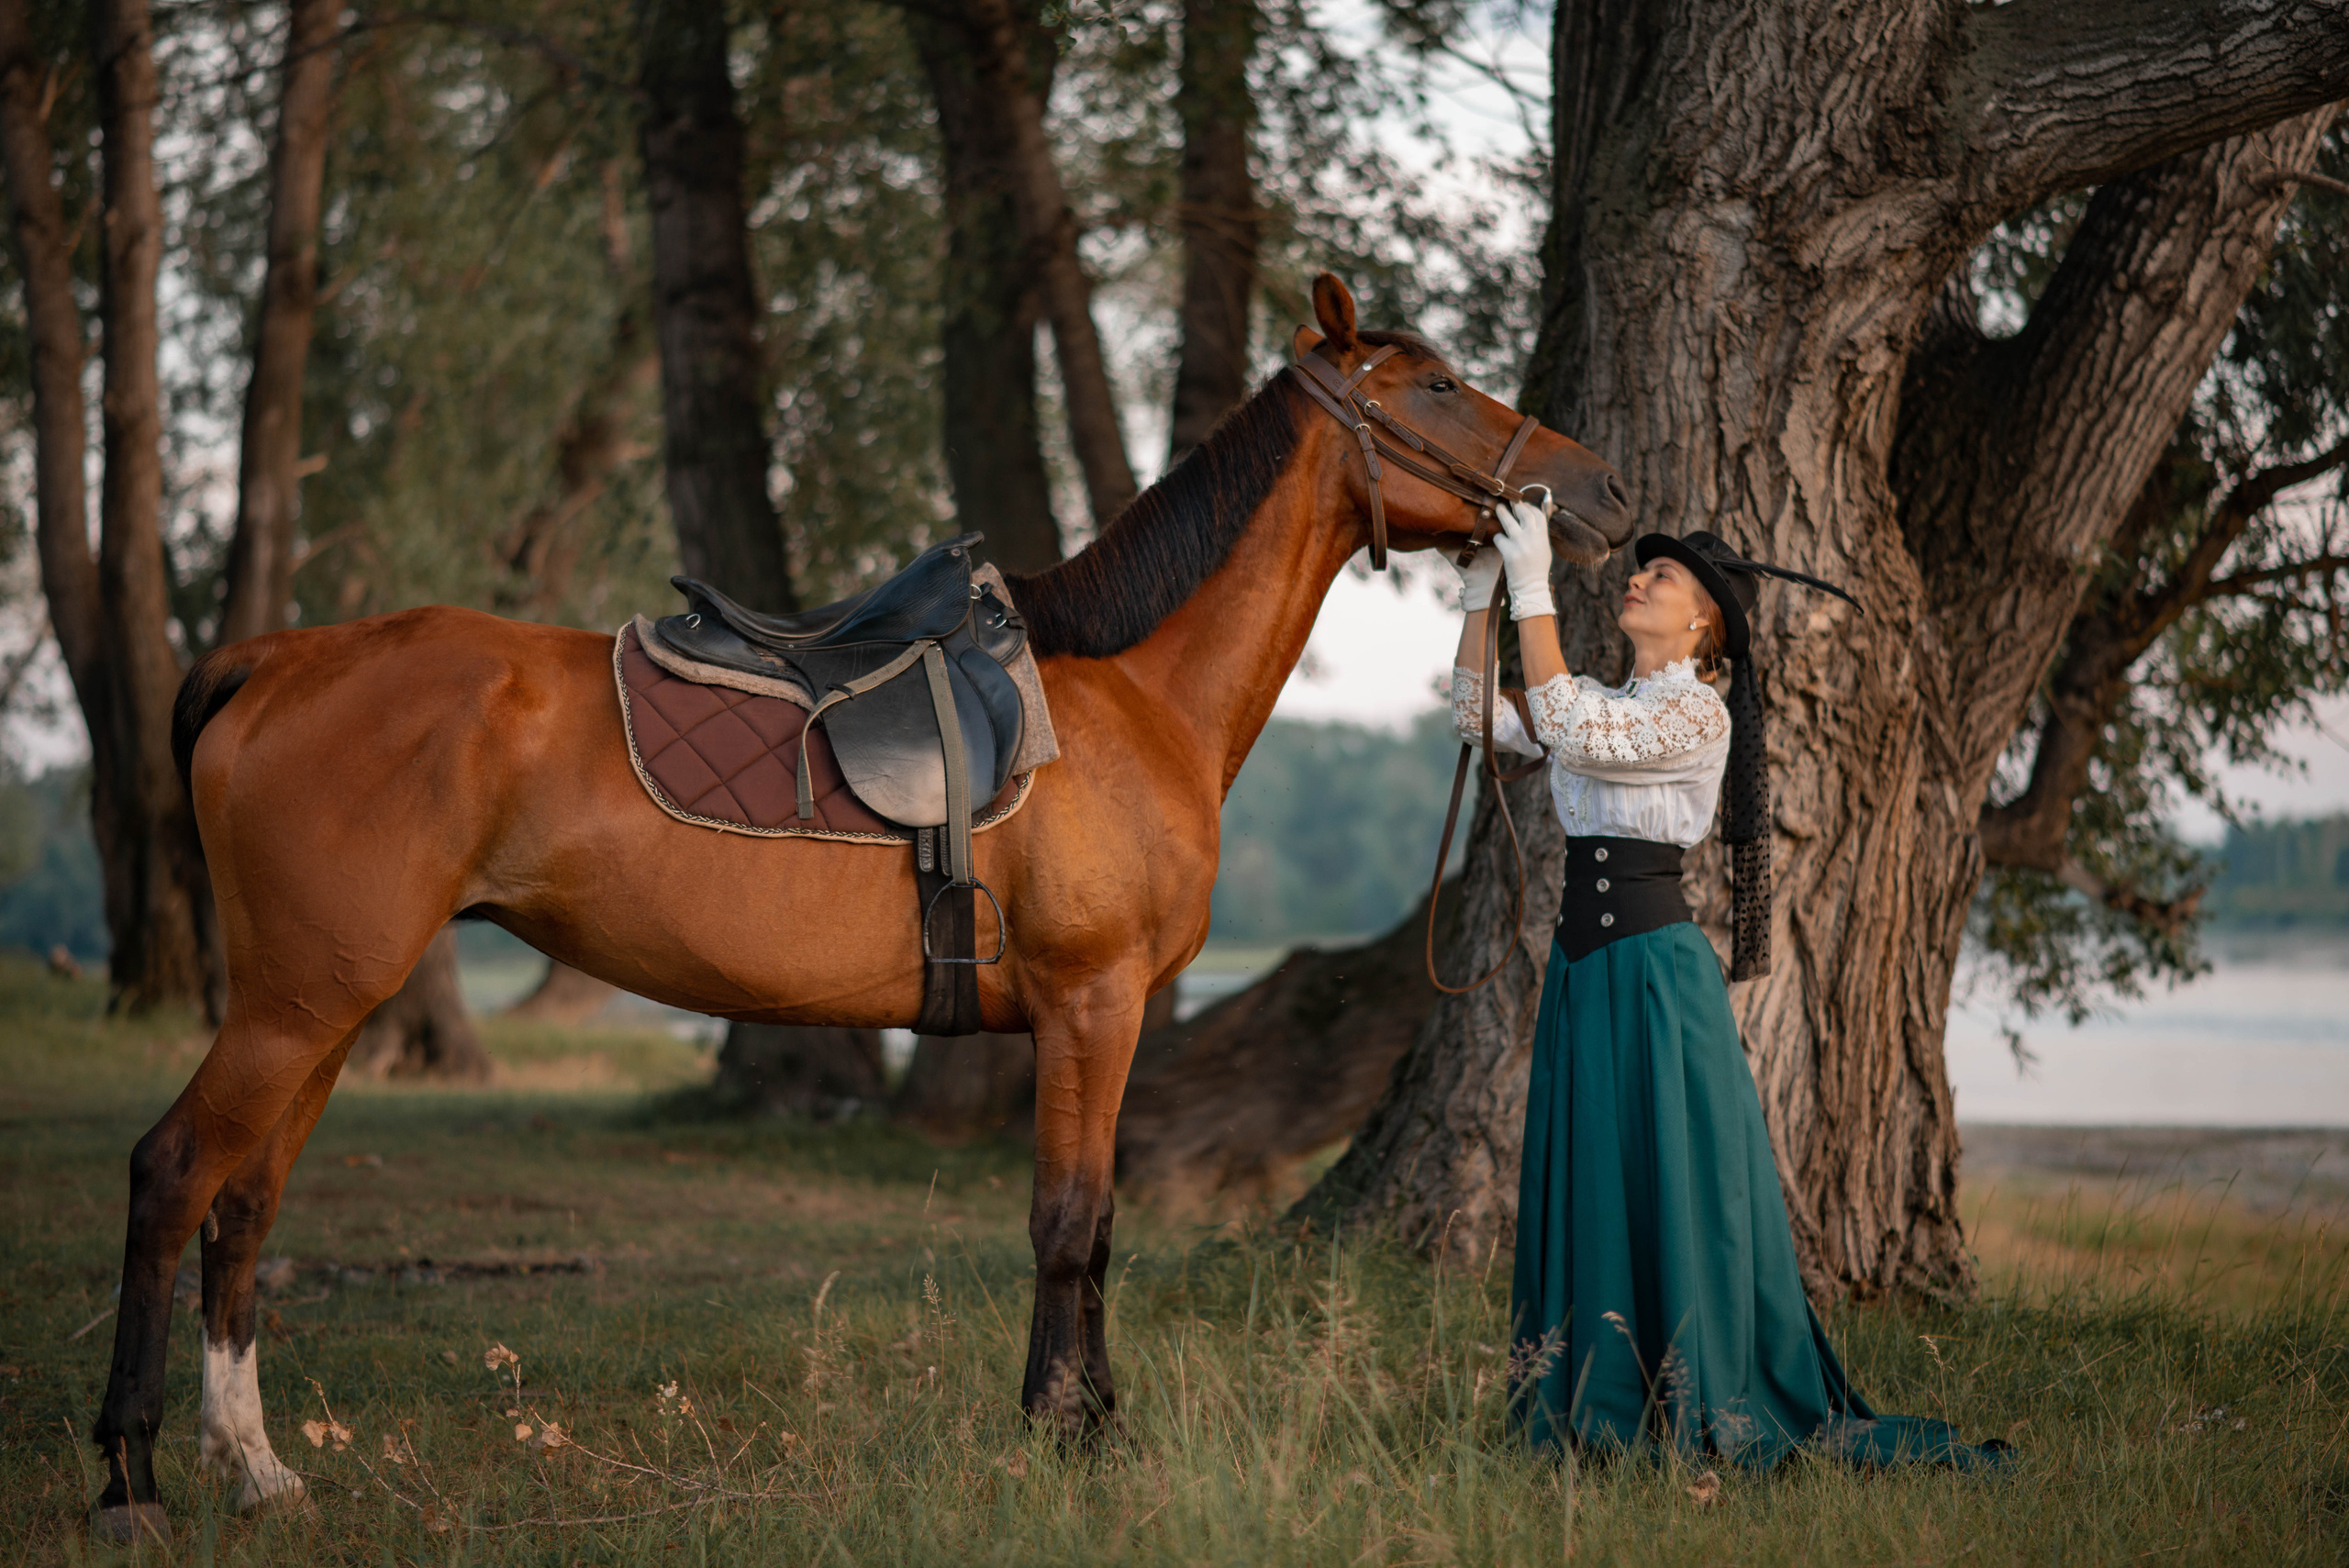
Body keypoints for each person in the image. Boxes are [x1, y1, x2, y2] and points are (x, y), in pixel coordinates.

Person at [1453, 503, 2007, 1471]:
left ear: (1705, 622)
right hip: (1585, 973)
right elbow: (1473, 720)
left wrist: (1534, 584)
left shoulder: (1691, 713)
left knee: (1668, 1184)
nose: (1636, 580)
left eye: (1660, 578)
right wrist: (1477, 595)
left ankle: (1682, 1397)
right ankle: (1590, 1397)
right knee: (1596, 1179)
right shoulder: (1593, 693)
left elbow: (1576, 735)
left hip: (1655, 981)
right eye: (1639, 571)